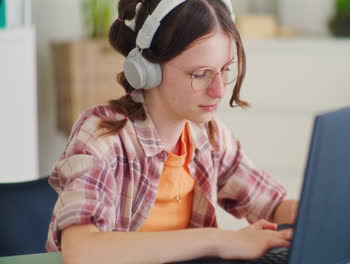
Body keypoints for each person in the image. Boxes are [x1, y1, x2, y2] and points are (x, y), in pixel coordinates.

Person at [46, 0, 298, 263]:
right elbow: (82, 252)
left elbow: (272, 205)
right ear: (148, 70)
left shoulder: (208, 135)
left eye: (224, 70)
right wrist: (218, 240)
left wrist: (322, 213)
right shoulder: (103, 137)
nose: (219, 91)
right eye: (200, 74)